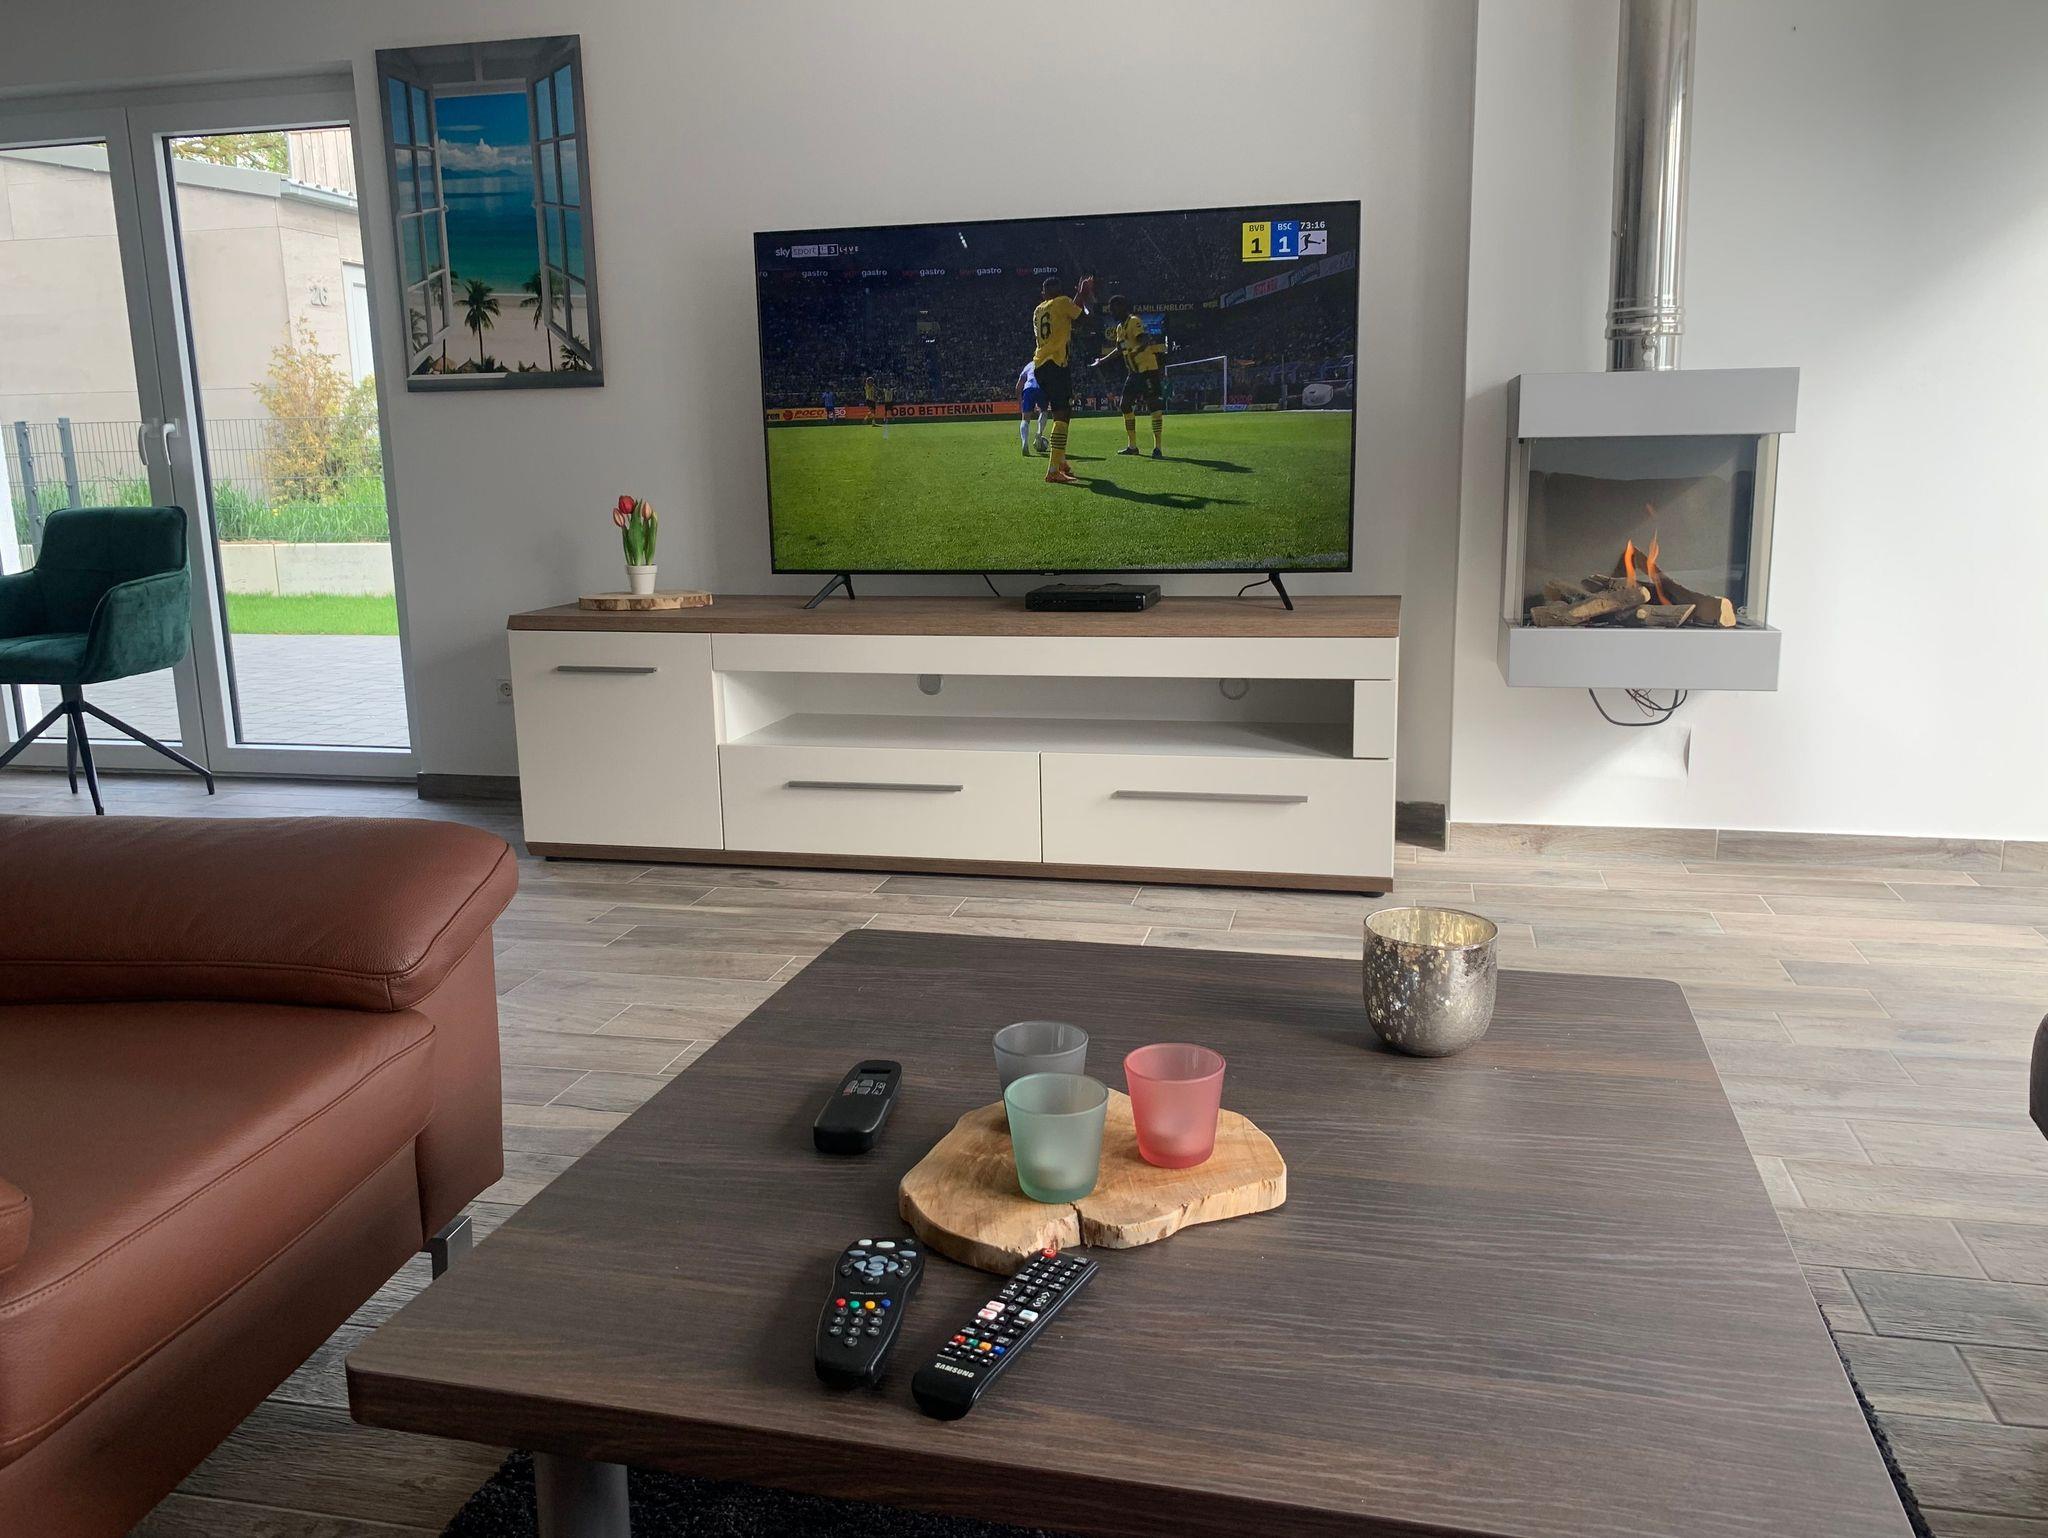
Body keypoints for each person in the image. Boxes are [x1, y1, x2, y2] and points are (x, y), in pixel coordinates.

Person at [1029, 273, 1094, 485]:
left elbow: (1066, 314)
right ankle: (1053, 470)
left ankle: (1061, 461)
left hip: (1040, 364)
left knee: (1064, 413)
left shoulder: (1039, 310)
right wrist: (1084, 295)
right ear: (1060, 291)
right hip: (1056, 364)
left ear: (1043, 294)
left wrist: (1078, 296)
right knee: (1061, 414)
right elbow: (1083, 319)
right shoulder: (1063, 302)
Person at [1096, 295, 1166, 458]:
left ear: (1122, 307)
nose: (1112, 312)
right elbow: (1119, 349)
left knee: (1153, 404)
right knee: (1125, 405)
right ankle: (1132, 446)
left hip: (1147, 369)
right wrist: (1102, 361)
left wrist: (1136, 351)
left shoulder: (1134, 321)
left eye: (1114, 309)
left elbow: (1144, 339)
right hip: (1134, 372)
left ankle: (1158, 447)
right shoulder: (1120, 328)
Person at [1017, 360, 1049, 456]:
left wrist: (1020, 401)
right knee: (1044, 411)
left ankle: (1024, 443)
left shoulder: (1029, 365)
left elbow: (1019, 385)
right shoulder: (1047, 364)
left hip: (1029, 388)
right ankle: (1039, 432)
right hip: (1042, 388)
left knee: (1025, 419)